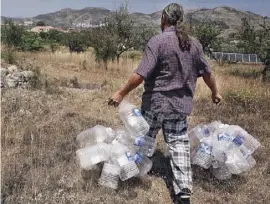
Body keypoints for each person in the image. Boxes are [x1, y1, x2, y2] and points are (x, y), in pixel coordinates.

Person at [108, 3, 222, 204]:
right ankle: (183, 194)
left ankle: (131, 173)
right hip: (179, 107)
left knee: (142, 140)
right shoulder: (194, 44)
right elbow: (208, 73)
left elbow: (140, 74)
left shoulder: (158, 41)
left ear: (163, 18)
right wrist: (215, 92)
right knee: (179, 146)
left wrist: (120, 93)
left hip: (155, 104)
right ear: (181, 20)